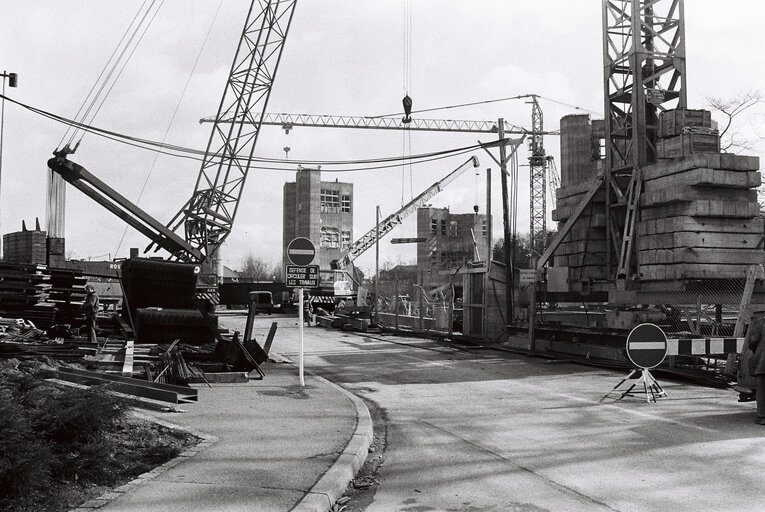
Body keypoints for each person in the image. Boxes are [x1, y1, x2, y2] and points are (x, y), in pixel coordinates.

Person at [746, 312, 765, 424]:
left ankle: (762, 416)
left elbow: (752, 341)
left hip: (763, 362)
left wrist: (756, 352)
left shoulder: (762, 321)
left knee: (762, 389)